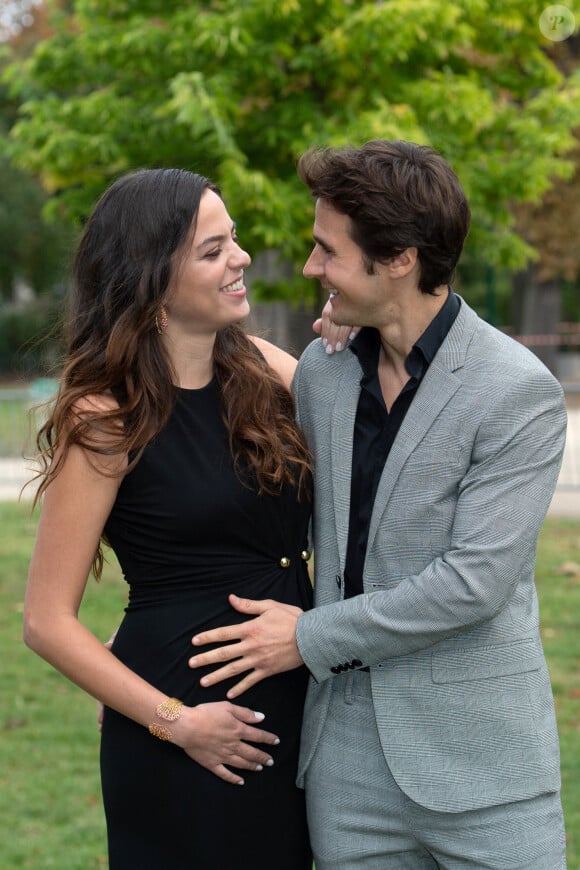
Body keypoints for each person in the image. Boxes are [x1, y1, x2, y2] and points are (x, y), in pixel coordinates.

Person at [186, 140, 569, 869]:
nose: (310, 268)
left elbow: (472, 585)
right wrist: (157, 640)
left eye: (327, 252)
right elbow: (250, 525)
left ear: (399, 258)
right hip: (344, 772)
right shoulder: (324, 378)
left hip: (483, 770)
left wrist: (307, 638)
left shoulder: (516, 391)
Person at [23, 166, 351, 869]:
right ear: (151, 281)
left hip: (298, 700)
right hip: (187, 725)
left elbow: (373, 441)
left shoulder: (265, 368)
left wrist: (353, 339)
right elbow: (46, 621)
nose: (240, 259)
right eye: (211, 250)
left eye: (232, 239)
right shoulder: (106, 418)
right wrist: (178, 724)